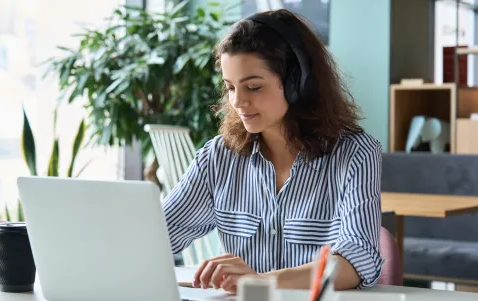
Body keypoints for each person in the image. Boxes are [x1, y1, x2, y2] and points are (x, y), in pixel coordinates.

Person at [162, 8, 383, 293]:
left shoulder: (356, 154)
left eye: (253, 87)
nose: (238, 102)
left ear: (297, 84)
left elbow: (358, 260)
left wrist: (260, 283)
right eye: (230, 88)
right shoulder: (218, 157)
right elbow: (158, 236)